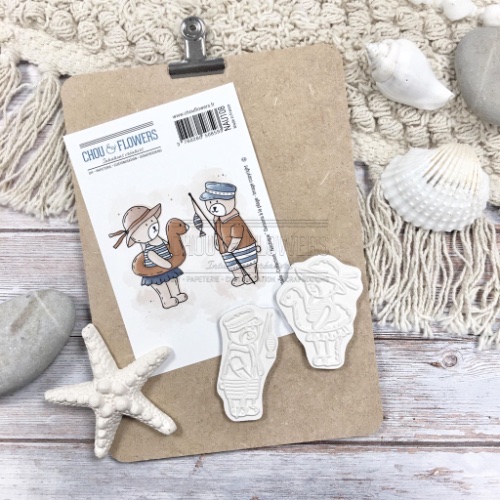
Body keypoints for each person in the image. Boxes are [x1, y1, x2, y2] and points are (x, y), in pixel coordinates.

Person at [109, 204, 187, 309]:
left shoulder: (159, 239)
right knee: (162, 286)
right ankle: (166, 300)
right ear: (135, 238)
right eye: (146, 225)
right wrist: (166, 264)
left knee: (173, 280)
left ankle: (176, 294)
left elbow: (167, 246)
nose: (152, 226)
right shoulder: (149, 249)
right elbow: (152, 256)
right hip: (156, 272)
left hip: (168, 267)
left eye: (151, 221)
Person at [199, 182, 259, 287]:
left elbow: (237, 235)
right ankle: (238, 276)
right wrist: (217, 242)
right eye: (210, 202)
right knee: (232, 264)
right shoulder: (217, 219)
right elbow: (217, 232)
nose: (213, 206)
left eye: (217, 202)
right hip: (225, 248)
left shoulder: (234, 219)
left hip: (243, 246)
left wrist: (233, 245)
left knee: (247, 262)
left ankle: (251, 274)